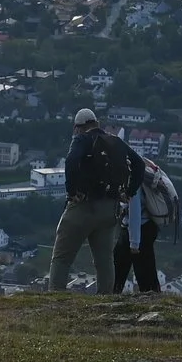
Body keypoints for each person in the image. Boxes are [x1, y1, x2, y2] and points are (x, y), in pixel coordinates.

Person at [45, 108, 142, 295]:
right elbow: (139, 164)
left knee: (62, 257)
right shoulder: (115, 141)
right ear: (96, 123)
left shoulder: (82, 139)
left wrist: (71, 191)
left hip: (83, 207)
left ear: (78, 127)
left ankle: (54, 297)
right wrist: (129, 192)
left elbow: (71, 160)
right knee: (104, 260)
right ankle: (105, 299)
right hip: (109, 209)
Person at [119, 156, 181, 294]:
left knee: (128, 268)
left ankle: (111, 293)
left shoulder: (132, 177)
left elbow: (134, 211)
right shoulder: (143, 168)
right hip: (148, 226)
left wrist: (134, 243)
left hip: (138, 230)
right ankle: (152, 297)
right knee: (146, 269)